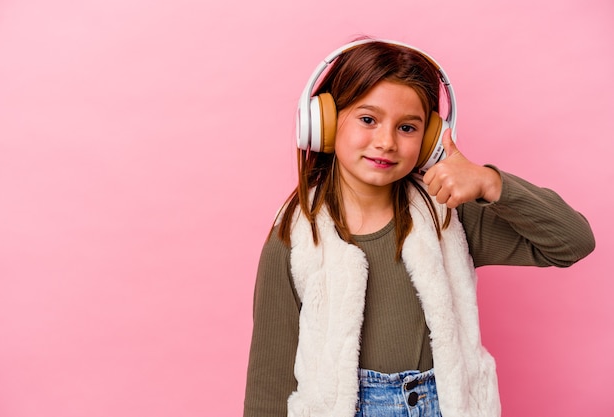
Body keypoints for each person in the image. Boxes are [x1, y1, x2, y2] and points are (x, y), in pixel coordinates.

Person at [243, 38, 595, 417]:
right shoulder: (294, 238)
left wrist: (492, 183)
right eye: (367, 119)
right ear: (325, 123)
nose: (386, 142)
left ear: (429, 141)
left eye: (408, 128)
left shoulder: (449, 215)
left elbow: (571, 242)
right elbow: (270, 380)